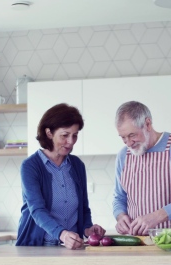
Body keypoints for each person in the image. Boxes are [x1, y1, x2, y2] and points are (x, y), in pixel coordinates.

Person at [16, 103, 105, 249]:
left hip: (72, 247)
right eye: (65, 135)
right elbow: (37, 210)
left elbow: (83, 208)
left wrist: (88, 229)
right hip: (39, 246)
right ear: (49, 133)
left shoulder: (77, 165)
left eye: (75, 135)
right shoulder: (31, 166)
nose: (70, 141)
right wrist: (62, 234)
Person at [113, 101, 171, 236]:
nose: (128, 143)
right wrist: (120, 216)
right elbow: (119, 198)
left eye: (132, 135)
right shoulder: (123, 156)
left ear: (148, 124)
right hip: (140, 243)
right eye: (123, 137)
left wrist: (157, 216)